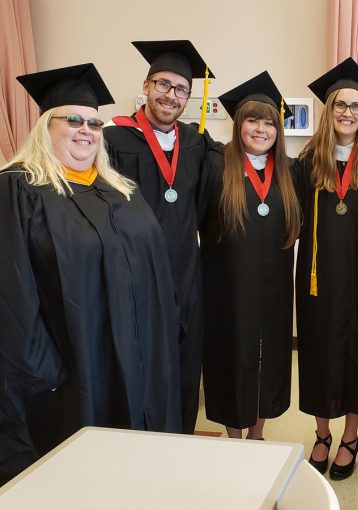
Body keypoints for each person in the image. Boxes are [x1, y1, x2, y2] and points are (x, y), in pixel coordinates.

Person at [0, 64, 182, 485]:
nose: (87, 130)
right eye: (75, 120)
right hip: (75, 369)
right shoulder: (19, 190)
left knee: (142, 468)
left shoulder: (120, 189)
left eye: (95, 123)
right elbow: (12, 294)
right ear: (47, 126)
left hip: (141, 361)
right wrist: (43, 372)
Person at [104, 40, 218, 434]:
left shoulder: (196, 142)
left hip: (186, 271)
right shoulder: (112, 140)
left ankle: (182, 437)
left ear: (189, 97)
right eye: (163, 85)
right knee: (142, 362)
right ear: (147, 86)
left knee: (186, 363)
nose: (171, 96)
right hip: (135, 274)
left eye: (180, 89)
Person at [296, 57, 358, 480]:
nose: (348, 112)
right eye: (340, 104)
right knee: (318, 353)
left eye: (356, 106)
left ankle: (350, 438)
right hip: (318, 279)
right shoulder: (306, 161)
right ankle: (321, 434)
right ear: (328, 109)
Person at [198, 72, 301, 440]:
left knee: (269, 359)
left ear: (278, 128)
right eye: (252, 120)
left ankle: (257, 436)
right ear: (238, 123)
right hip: (228, 288)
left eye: (269, 122)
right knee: (232, 357)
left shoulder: (290, 172)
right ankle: (234, 438)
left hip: (274, 289)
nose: (261, 129)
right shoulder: (215, 165)